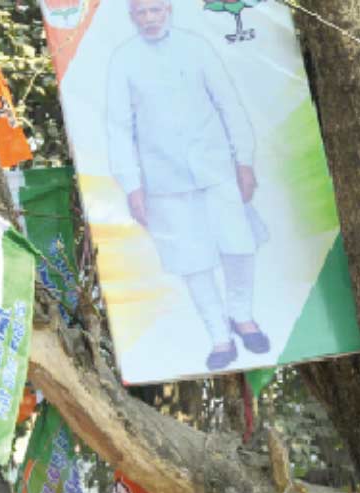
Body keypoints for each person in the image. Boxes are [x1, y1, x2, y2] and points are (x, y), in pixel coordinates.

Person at [106, 0, 270, 370]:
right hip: (164, 180)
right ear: (132, 17)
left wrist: (244, 159)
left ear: (168, 11)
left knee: (238, 244)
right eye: (141, 13)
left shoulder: (196, 47)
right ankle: (219, 335)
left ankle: (242, 315)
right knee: (192, 260)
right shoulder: (123, 59)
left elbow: (228, 102)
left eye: (155, 11)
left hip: (216, 168)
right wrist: (132, 185)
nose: (149, 19)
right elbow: (117, 126)